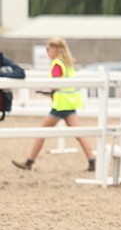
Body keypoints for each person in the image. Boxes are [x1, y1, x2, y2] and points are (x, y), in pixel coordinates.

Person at [11, 37, 96, 172]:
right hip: (69, 103)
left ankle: (29, 161)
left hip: (61, 104)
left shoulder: (57, 64)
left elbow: (55, 85)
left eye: (48, 49)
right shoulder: (67, 63)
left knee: (42, 131)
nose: (47, 52)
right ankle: (92, 160)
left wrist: (40, 90)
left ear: (55, 49)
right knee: (79, 133)